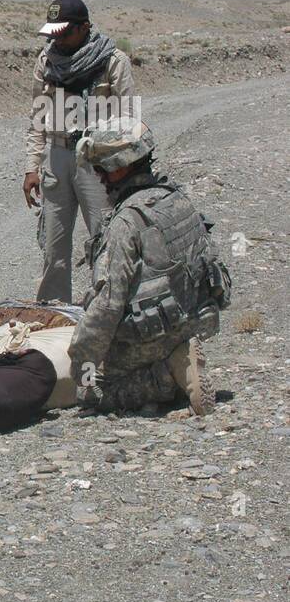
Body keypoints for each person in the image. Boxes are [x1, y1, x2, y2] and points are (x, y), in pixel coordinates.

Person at [68, 120, 231, 415]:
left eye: (101, 168)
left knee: (95, 393)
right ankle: (178, 356)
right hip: (195, 320)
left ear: (119, 168)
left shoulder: (127, 222)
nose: (99, 176)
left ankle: (168, 374)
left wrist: (82, 363)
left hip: (156, 334)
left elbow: (107, 305)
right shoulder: (177, 200)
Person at [22, 0, 138, 304]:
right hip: (57, 156)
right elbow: (37, 118)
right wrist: (31, 167)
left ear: (84, 27)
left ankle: (106, 310)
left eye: (65, 31)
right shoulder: (46, 62)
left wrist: (122, 169)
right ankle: (54, 314)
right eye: (53, 32)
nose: (57, 38)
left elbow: (128, 120)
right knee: (53, 245)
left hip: (98, 160)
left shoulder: (113, 61)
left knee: (104, 239)